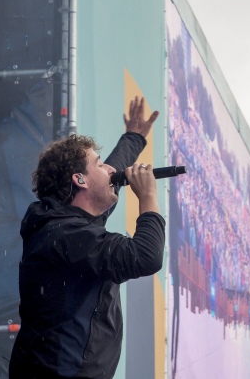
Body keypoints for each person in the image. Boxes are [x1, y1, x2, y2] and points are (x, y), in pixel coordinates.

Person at [9, 97, 163, 379]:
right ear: (80, 180)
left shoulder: (71, 225)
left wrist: (134, 138)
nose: (110, 170)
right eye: (99, 163)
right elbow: (145, 256)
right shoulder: (65, 235)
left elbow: (111, 175)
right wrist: (149, 197)